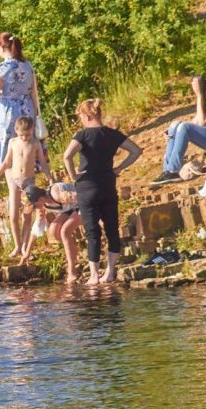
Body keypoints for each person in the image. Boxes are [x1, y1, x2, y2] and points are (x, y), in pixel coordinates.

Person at [63, 98, 143, 285]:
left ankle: (93, 276)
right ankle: (110, 272)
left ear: (87, 115)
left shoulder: (82, 135)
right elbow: (136, 151)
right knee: (112, 229)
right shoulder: (112, 134)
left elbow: (67, 156)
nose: (80, 119)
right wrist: (119, 168)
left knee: (93, 232)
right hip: (108, 185)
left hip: (87, 188)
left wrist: (74, 176)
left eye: (80, 116)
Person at [0, 116, 51, 257]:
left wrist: (49, 178)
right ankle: (17, 246)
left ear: (32, 131)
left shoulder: (35, 143)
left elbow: (42, 162)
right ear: (16, 130)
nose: (25, 138)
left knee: (27, 216)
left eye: (28, 134)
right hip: (14, 181)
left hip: (29, 182)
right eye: (22, 135)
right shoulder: (13, 142)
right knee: (13, 216)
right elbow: (6, 163)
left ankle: (24, 246)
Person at [0, 32, 42, 169]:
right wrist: (35, 113)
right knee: (26, 148)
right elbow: (34, 93)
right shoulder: (28, 65)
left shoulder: (2, 68)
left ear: (2, 47)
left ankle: (12, 187)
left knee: (8, 153)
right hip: (27, 109)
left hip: (7, 112)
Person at [20, 183, 83, 283]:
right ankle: (74, 253)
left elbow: (82, 197)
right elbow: (37, 227)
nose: (35, 209)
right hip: (71, 208)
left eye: (34, 206)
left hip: (84, 203)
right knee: (53, 230)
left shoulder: (56, 194)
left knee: (64, 231)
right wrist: (27, 252)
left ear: (40, 199)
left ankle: (72, 271)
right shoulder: (42, 204)